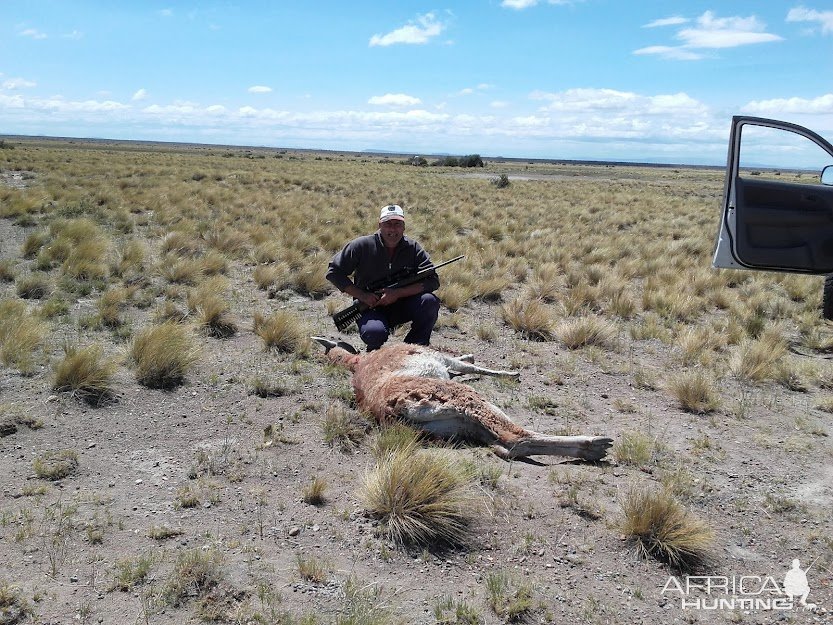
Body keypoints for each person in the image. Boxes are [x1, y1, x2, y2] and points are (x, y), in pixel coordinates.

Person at [326, 204, 441, 351]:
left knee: (429, 302)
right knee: (375, 333)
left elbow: (433, 280)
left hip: (402, 306)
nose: (393, 229)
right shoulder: (361, 246)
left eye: (397, 224)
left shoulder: (413, 249)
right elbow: (334, 272)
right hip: (371, 307)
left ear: (403, 227)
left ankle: (413, 350)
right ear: (380, 225)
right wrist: (363, 296)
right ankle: (374, 355)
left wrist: (398, 293)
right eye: (388, 224)